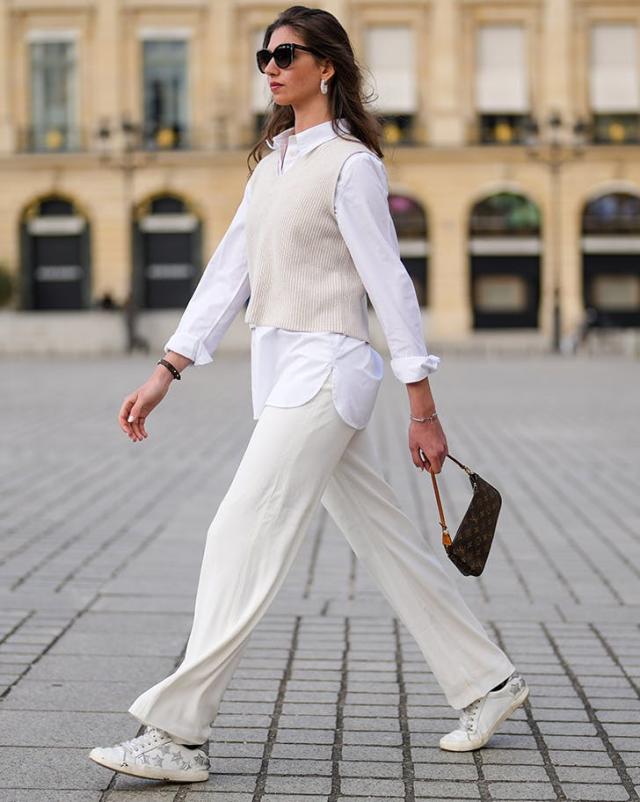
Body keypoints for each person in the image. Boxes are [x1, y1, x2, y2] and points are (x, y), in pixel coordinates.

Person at [88, 5, 528, 784]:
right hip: (283, 374)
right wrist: (168, 370)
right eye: (265, 54)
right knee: (387, 543)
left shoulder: (351, 165)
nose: (271, 65)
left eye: (286, 53)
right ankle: (489, 683)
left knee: (239, 532)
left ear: (327, 66)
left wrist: (422, 407)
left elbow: (388, 284)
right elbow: (230, 273)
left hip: (329, 371)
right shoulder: (274, 163)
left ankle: (176, 734)